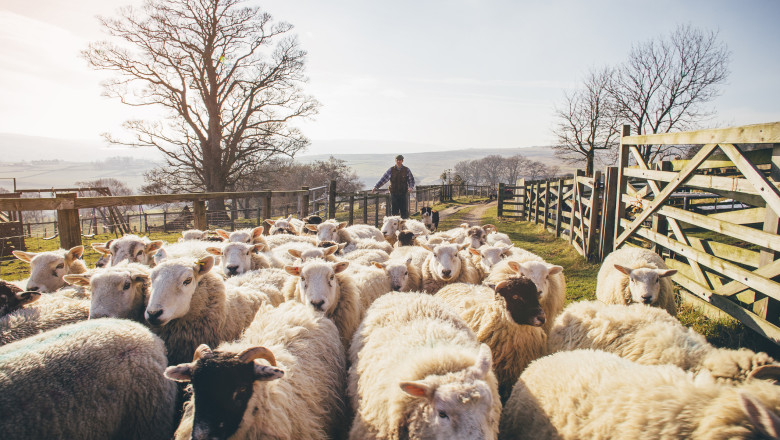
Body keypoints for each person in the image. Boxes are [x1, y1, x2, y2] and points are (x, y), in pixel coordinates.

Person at [372, 154, 415, 219]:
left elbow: (411, 180)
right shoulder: (391, 170)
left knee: (404, 211)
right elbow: (383, 179)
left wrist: (410, 187)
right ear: (395, 161)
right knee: (394, 211)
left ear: (402, 161)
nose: (398, 161)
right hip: (394, 194)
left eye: (400, 160)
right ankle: (395, 227)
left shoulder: (406, 170)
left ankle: (404, 226)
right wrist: (376, 187)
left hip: (403, 193)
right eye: (397, 160)